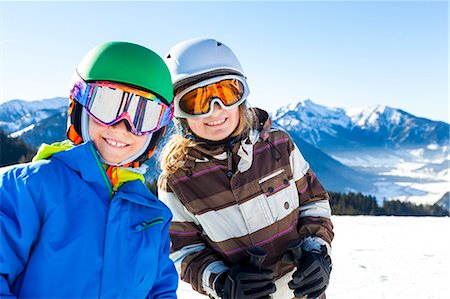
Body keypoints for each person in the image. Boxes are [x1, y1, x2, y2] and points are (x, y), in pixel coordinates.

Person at [157, 37, 334, 299]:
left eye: (226, 93)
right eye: (196, 101)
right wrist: (222, 282)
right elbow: (184, 250)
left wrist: (317, 253)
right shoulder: (178, 180)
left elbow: (313, 201)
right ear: (179, 114)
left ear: (242, 97)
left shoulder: (277, 144)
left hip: (303, 291)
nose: (215, 111)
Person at [0, 41, 178, 298]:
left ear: (156, 130)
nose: (121, 126)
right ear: (80, 106)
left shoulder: (152, 214)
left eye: (143, 115)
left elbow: (160, 291)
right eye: (107, 105)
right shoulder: (26, 188)